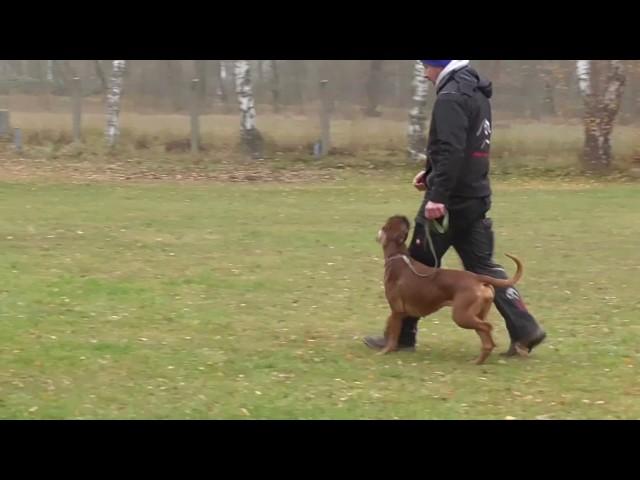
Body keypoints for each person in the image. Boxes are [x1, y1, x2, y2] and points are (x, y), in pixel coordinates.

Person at [364, 60, 546, 356]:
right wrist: (431, 172)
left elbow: (450, 148)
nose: (425, 73)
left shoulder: (450, 97)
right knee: (484, 267)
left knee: (417, 263)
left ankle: (401, 337)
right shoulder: (475, 90)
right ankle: (526, 328)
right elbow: (467, 147)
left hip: (449, 201)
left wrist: (437, 194)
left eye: (426, 66)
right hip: (475, 194)